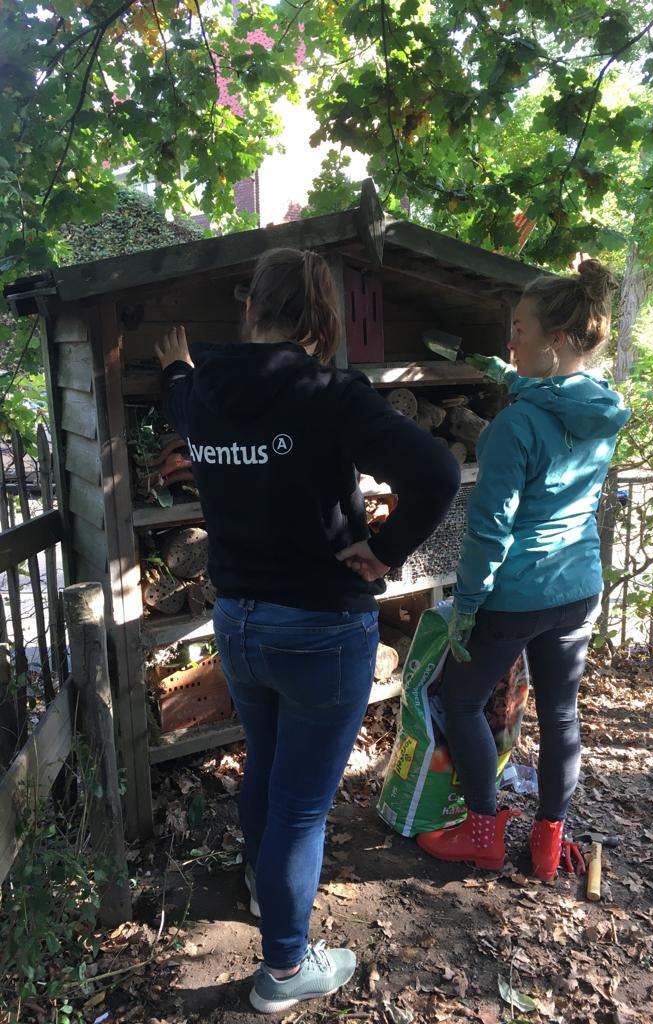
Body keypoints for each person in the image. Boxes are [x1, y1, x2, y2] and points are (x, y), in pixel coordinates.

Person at [155, 247, 460, 1014]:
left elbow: (182, 397)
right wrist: (384, 552)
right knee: (299, 807)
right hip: (322, 628)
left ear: (250, 308)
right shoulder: (331, 396)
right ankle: (285, 971)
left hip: (239, 624)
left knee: (267, 769)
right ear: (323, 317)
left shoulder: (203, 391)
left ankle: (266, 890)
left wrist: (174, 369)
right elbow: (436, 473)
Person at [414, 259, 630, 881]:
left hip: (515, 592)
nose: (510, 341)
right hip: (577, 585)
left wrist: (469, 605)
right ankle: (547, 846)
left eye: (519, 330)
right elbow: (556, 406)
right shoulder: (602, 412)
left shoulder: (513, 427)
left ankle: (482, 833)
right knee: (561, 714)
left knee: (461, 701)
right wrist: (508, 376)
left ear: (554, 340)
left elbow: (490, 529)